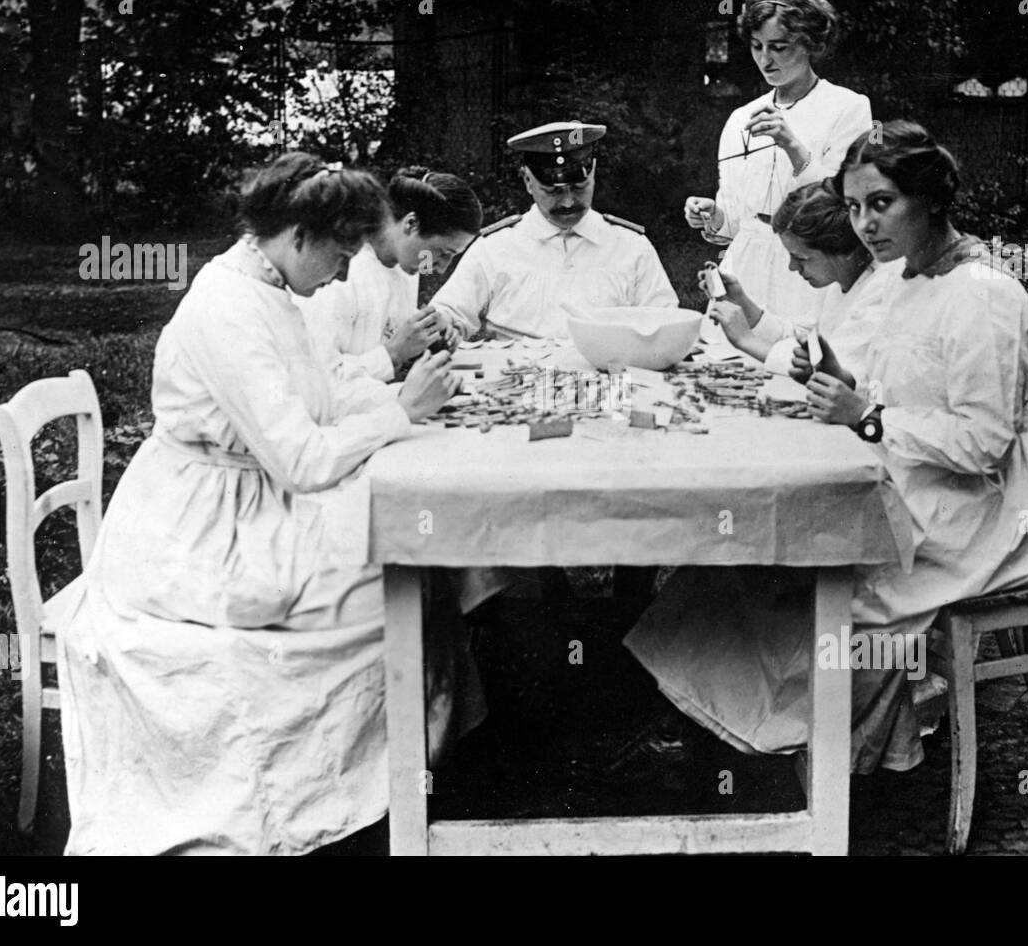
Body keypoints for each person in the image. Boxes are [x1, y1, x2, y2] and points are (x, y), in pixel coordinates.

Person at [56, 153, 471, 855]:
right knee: (378, 588)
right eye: (340, 256)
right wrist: (400, 411)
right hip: (198, 533)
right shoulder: (225, 307)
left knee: (409, 559)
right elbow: (303, 459)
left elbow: (322, 391)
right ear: (300, 236)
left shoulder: (272, 288)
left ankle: (396, 775)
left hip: (249, 502)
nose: (344, 272)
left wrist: (396, 396)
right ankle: (320, 798)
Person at [625, 120, 1028, 775]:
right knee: (749, 559)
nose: (864, 224)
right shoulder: (909, 278)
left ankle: (826, 761)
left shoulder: (983, 297)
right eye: (854, 207)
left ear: (931, 197)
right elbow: (865, 374)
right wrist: (830, 382)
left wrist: (870, 418)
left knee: (813, 581)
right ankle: (751, 736)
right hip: (905, 478)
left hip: (970, 512)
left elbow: (983, 443)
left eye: (880, 203)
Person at [685, 0, 872, 337]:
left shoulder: (847, 107)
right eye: (757, 47)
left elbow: (842, 206)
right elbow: (735, 223)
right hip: (745, 267)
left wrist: (792, 146)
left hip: (805, 266)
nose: (765, 59)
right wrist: (713, 214)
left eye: (778, 47)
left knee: (797, 364)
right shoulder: (741, 118)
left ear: (809, 44)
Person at [432, 121, 679, 340]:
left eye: (580, 187)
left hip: (608, 379)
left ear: (593, 173)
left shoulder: (631, 247)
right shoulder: (495, 248)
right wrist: (446, 326)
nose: (568, 202)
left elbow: (665, 323)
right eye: (553, 191)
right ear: (528, 181)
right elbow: (450, 312)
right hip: (519, 382)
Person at [296, 166, 483, 383]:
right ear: (411, 224)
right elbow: (318, 380)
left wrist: (433, 335)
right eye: (442, 253)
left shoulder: (406, 265)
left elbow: (389, 325)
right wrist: (393, 353)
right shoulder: (339, 273)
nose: (440, 268)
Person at [704, 180, 903, 379]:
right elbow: (807, 345)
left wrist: (745, 338)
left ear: (840, 250)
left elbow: (834, 372)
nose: (792, 267)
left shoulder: (880, 290)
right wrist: (743, 303)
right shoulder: (841, 283)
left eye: (801, 258)